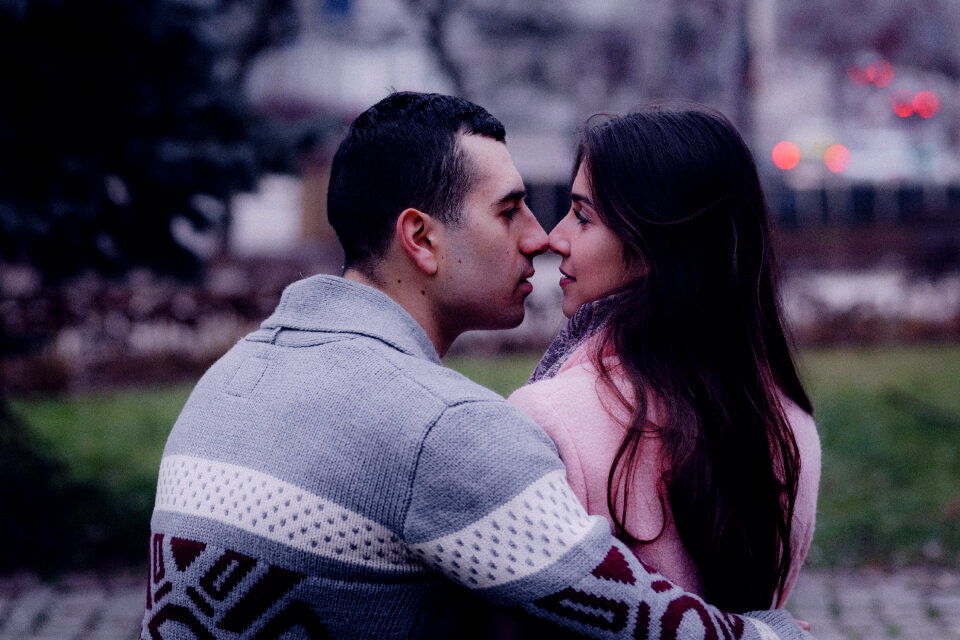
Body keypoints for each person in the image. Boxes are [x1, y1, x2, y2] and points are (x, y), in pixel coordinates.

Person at [140, 92, 813, 639]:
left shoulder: (230, 377)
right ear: (422, 239)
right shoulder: (438, 427)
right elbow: (629, 617)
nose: (538, 237)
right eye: (509, 210)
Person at [508, 104, 821, 614]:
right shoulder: (791, 426)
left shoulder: (550, 419)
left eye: (582, 217)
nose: (554, 237)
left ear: (654, 244)